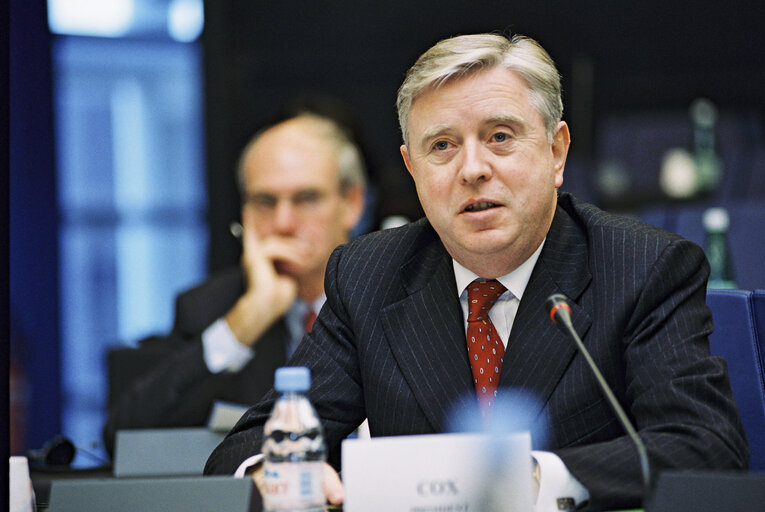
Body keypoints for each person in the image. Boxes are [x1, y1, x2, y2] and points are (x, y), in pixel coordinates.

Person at [203, 33, 748, 511]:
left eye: (500, 137)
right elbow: (245, 446)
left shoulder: (641, 267)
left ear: (556, 153)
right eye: (442, 146)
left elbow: (705, 447)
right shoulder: (369, 275)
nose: (472, 169)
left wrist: (535, 479)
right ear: (413, 169)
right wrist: (271, 476)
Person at [102, 111, 367, 456]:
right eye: (265, 202)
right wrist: (246, 320)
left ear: (352, 203)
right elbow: (124, 440)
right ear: (245, 213)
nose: (283, 223)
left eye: (306, 198)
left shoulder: (398, 292)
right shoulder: (211, 306)